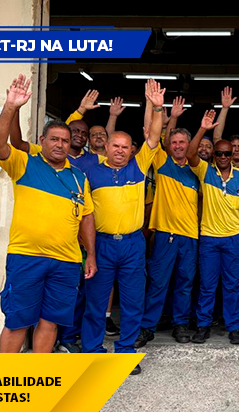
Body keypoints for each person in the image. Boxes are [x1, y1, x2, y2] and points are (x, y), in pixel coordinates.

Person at [0, 74, 97, 353]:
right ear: (42, 140)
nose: (60, 144)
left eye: (65, 140)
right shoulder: (25, 164)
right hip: (27, 258)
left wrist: (91, 256)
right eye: (54, 139)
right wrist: (10, 107)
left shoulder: (78, 177)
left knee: (50, 322)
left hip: (66, 261)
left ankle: (37, 378)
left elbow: (86, 217)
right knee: (17, 321)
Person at [80, 79, 163, 376]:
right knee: (96, 301)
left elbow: (154, 135)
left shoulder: (138, 167)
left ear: (131, 151)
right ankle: (92, 350)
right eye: (115, 145)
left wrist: (156, 107)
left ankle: (126, 352)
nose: (119, 150)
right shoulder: (90, 169)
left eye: (125, 147)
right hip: (101, 244)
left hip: (132, 245)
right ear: (106, 146)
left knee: (131, 301)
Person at [187, 110, 239, 345]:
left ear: (233, 154)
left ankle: (234, 327)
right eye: (219, 153)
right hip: (209, 238)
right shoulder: (206, 171)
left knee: (231, 286)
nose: (224, 157)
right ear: (215, 155)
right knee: (207, 285)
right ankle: (203, 325)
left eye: (228, 153)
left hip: (233, 240)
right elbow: (190, 153)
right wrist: (203, 129)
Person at [135, 124, 202, 347]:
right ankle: (147, 327)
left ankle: (180, 324)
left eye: (182, 142)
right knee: (158, 282)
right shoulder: (162, 161)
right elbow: (153, 135)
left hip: (190, 235)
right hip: (166, 234)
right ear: (169, 146)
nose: (178, 146)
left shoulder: (198, 169)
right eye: (174, 142)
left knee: (185, 283)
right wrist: (160, 111)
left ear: (189, 145)